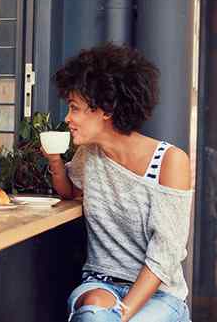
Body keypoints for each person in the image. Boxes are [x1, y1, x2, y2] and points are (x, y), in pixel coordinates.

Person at [42, 44, 193, 321]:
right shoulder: (89, 154)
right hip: (100, 283)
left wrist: (122, 316)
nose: (67, 118)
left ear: (106, 110)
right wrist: (54, 161)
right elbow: (71, 192)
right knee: (93, 314)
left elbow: (166, 254)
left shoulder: (170, 161)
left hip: (159, 293)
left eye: (74, 108)